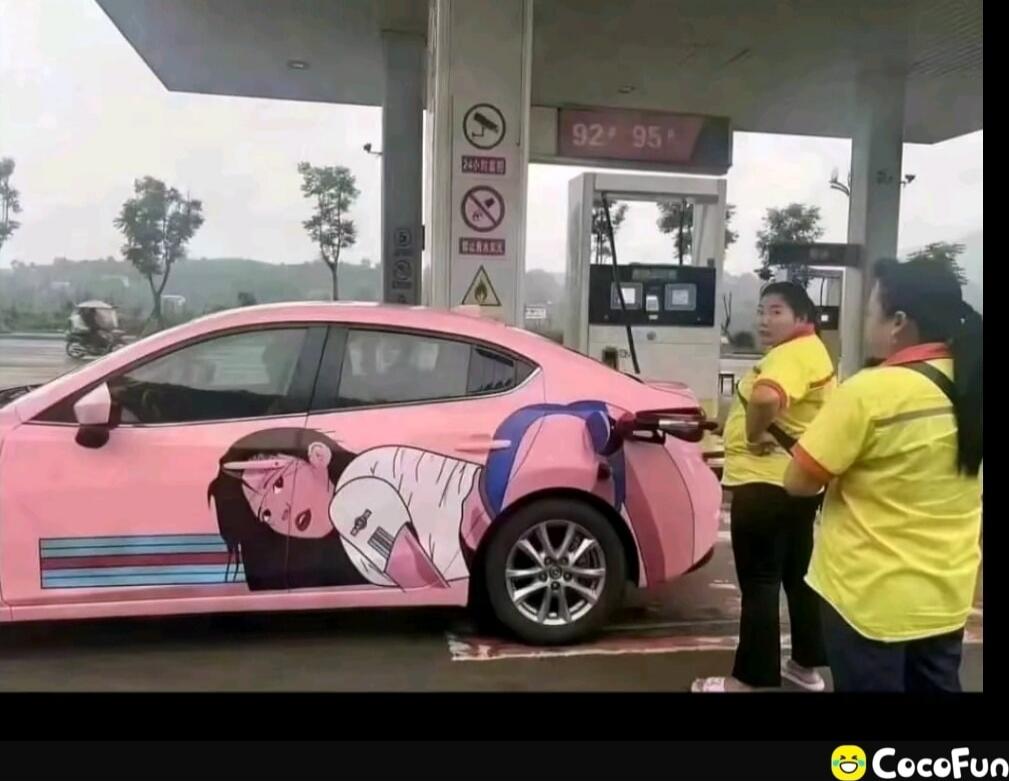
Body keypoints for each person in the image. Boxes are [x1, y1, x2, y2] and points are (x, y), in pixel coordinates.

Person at [784, 258, 982, 692]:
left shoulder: (871, 391)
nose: (866, 322)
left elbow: (798, 482)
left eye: (871, 311)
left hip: (868, 600)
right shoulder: (974, 386)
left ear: (898, 322)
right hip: (946, 595)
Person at [693, 282, 836, 693]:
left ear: (803, 318)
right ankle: (805, 666)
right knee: (797, 576)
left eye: (776, 312)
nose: (764, 320)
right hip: (796, 484)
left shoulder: (792, 354)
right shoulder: (812, 351)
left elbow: (765, 398)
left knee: (759, 582)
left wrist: (753, 434)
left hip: (764, 486)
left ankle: (749, 680)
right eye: (761, 311)